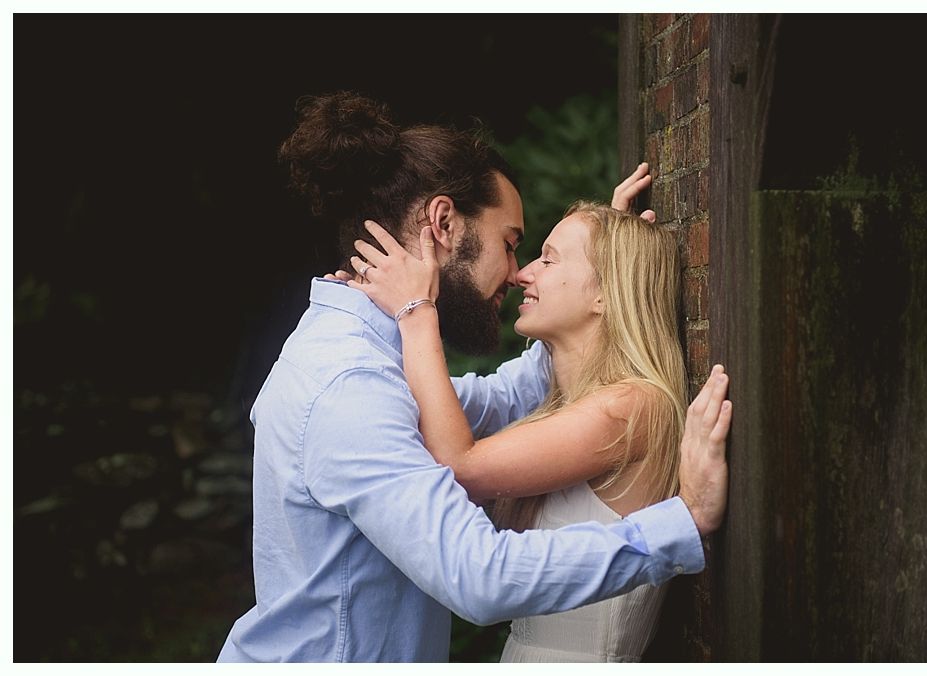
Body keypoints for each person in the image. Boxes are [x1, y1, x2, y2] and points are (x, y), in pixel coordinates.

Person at [216, 91, 730, 663]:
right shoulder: (350, 386)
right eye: (510, 244)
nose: (516, 273)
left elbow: (496, 400)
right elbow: (477, 576)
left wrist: (604, 265)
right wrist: (680, 525)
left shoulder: (378, 363)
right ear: (443, 223)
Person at [346, 199, 728, 662]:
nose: (523, 273)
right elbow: (447, 414)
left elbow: (458, 466)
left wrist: (416, 311)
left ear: (606, 292)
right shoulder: (575, 405)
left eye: (548, 259)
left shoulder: (631, 407)